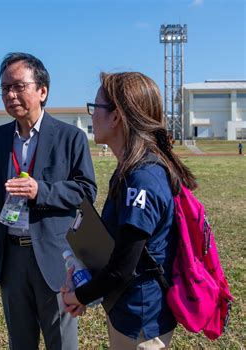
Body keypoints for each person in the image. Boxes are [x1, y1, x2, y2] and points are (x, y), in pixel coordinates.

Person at [0, 52, 97, 349]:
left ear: (43, 91)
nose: (10, 95)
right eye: (5, 88)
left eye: (18, 86)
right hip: (11, 258)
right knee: (20, 342)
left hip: (54, 259)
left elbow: (86, 190)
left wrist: (39, 191)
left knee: (62, 343)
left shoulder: (70, 138)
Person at [62, 72, 197, 349]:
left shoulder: (142, 178)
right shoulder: (132, 169)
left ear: (116, 117)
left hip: (142, 319)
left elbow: (121, 269)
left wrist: (80, 296)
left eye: (95, 107)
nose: (91, 116)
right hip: (127, 309)